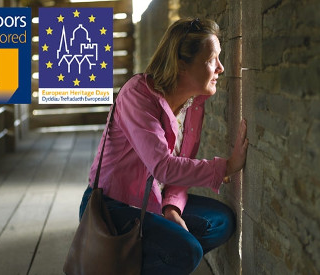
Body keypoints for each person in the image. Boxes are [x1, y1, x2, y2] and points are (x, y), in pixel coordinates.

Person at [79, 17, 249, 274]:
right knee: (187, 250)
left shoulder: (194, 104)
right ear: (181, 64)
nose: (221, 68)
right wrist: (226, 166)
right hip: (113, 206)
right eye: (211, 59)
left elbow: (178, 175)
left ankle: (139, 260)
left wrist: (171, 208)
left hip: (154, 202)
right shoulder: (137, 94)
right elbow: (164, 167)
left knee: (221, 222)